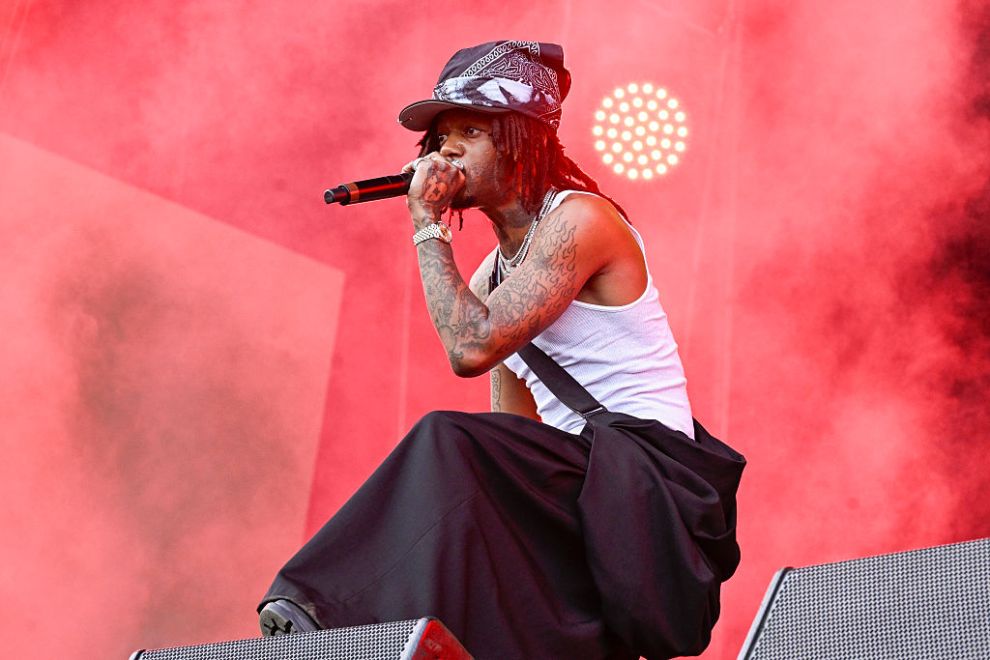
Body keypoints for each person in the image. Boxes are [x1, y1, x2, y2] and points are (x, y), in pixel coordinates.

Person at [258, 41, 744, 660]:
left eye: (470, 132)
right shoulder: (492, 278)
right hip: (580, 486)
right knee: (475, 516)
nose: (446, 152)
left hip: (645, 476)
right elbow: (513, 434)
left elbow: (470, 348)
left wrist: (427, 224)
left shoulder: (582, 220)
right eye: (439, 138)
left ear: (523, 140)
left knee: (446, 439)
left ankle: (321, 609)